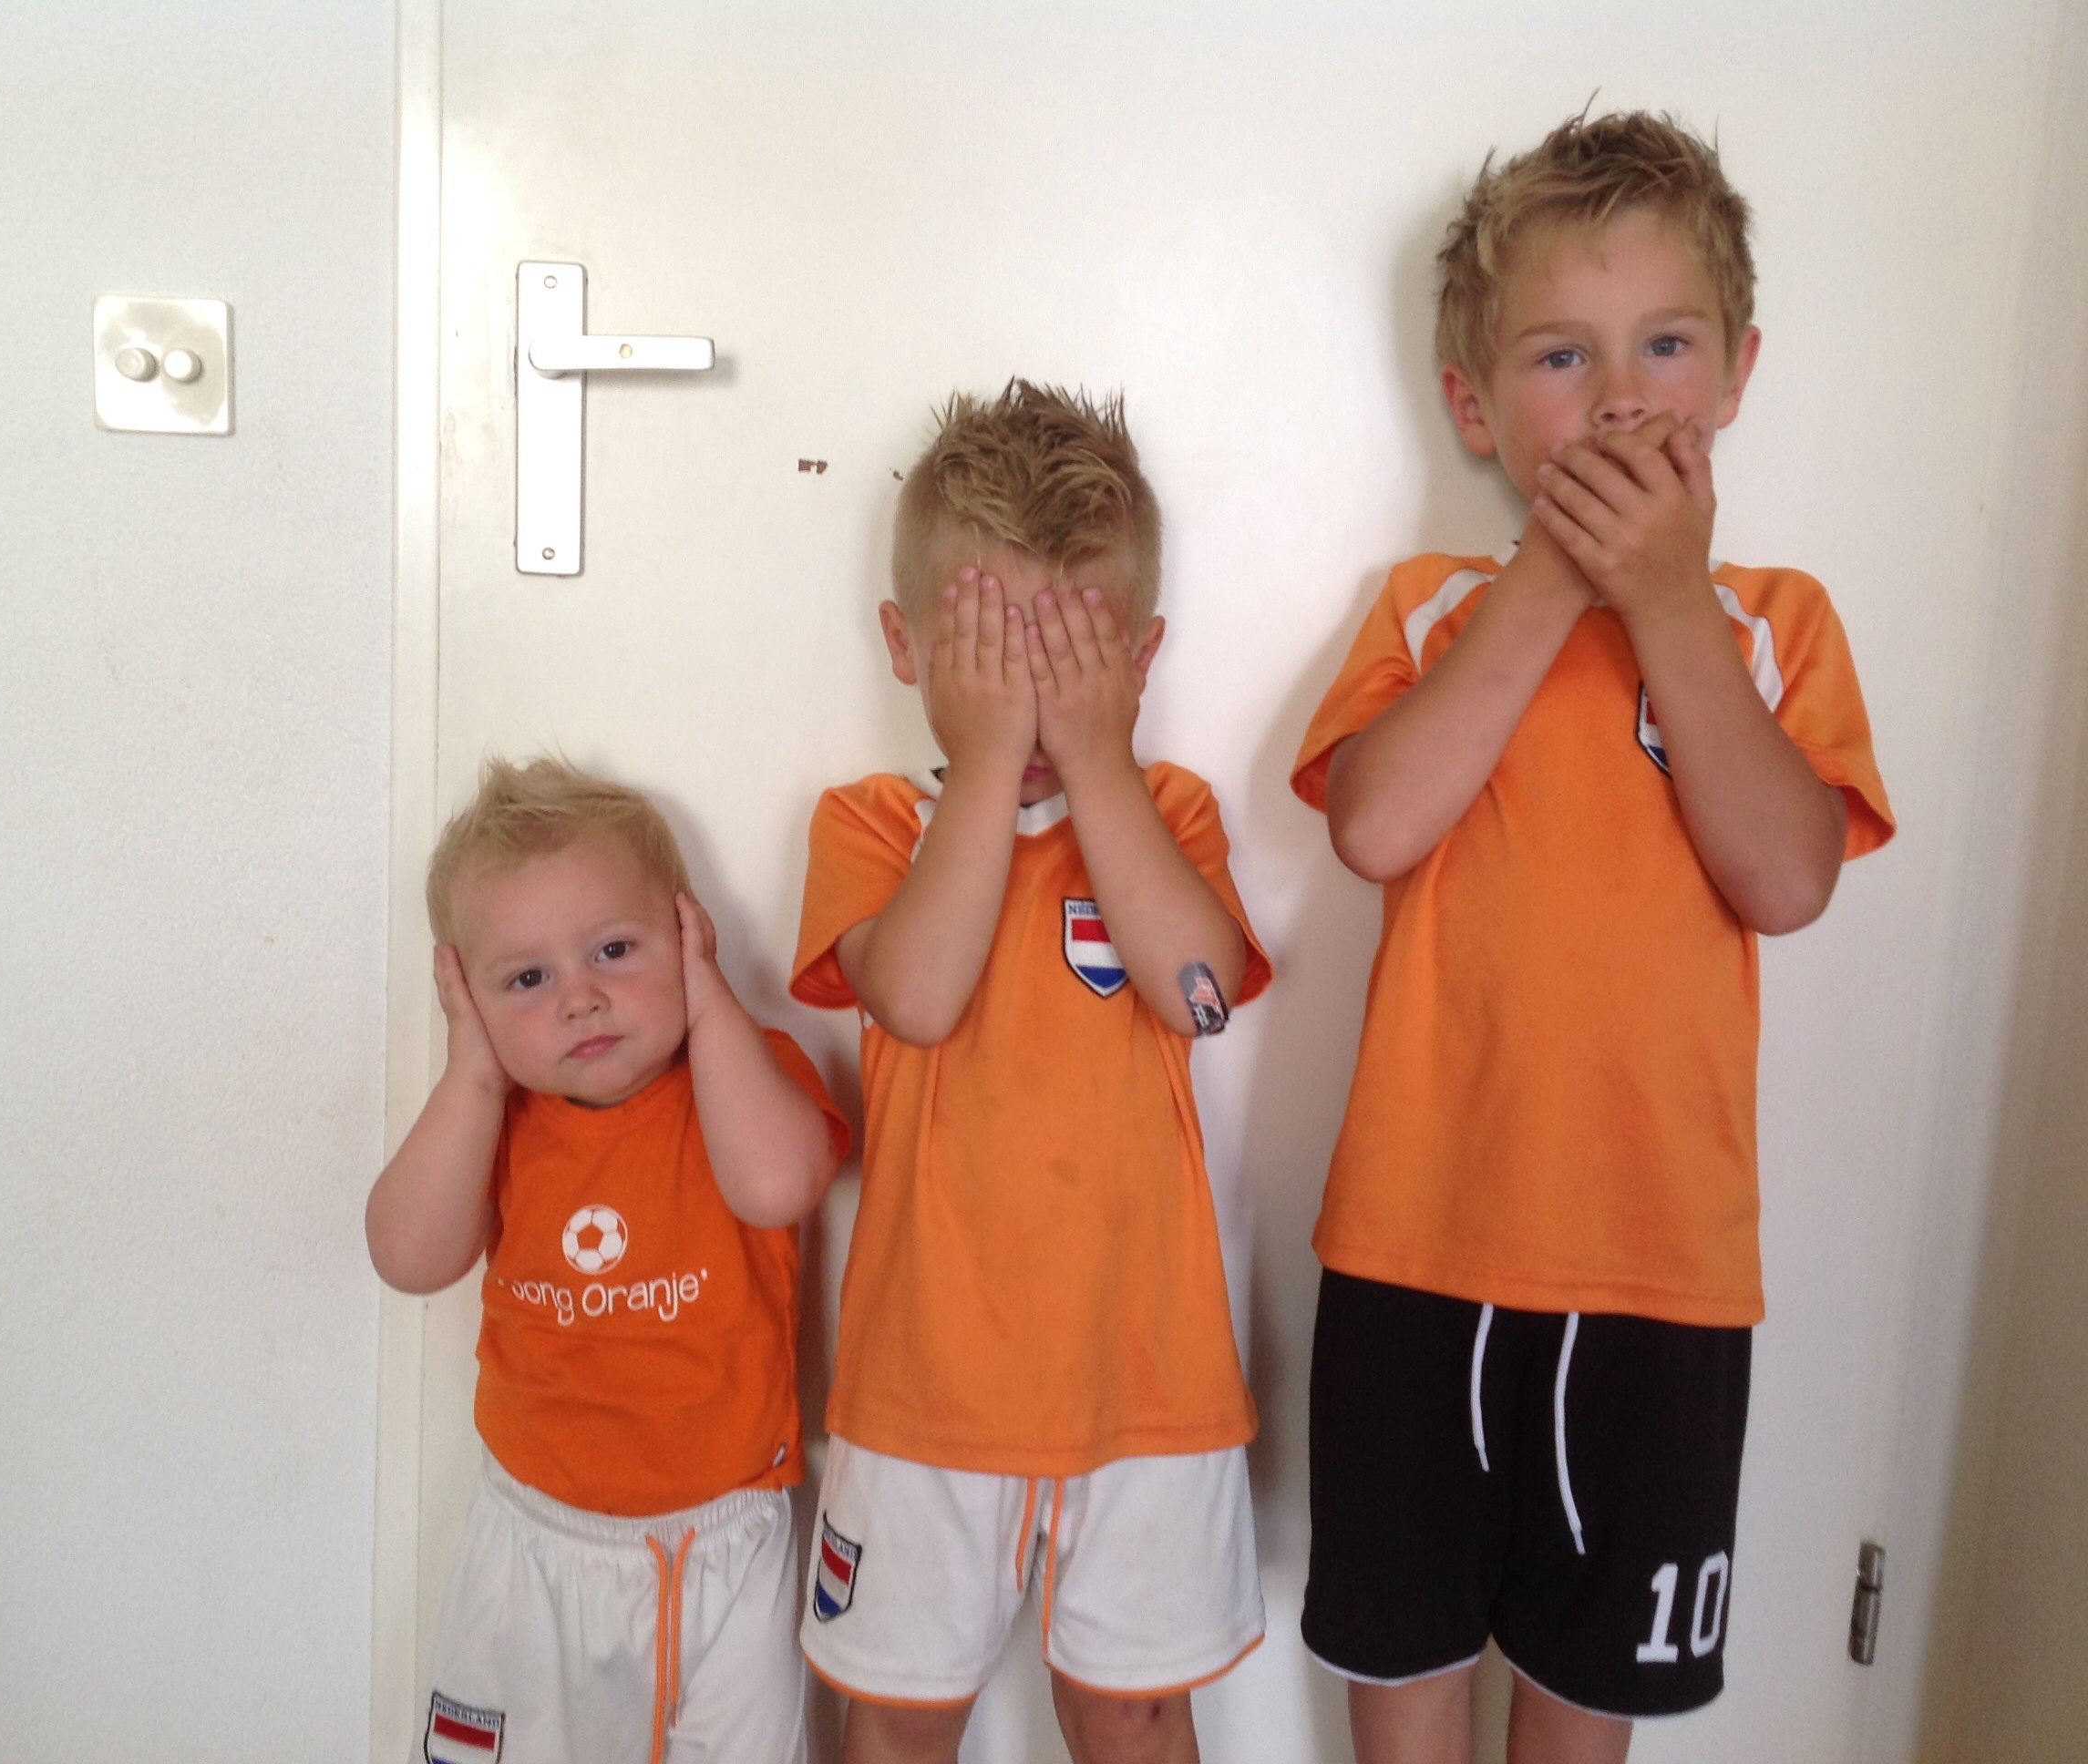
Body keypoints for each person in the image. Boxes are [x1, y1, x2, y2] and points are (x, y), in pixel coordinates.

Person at [1290, 111, 1897, 1763]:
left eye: (1665, 346)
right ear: (1476, 409)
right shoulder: (1432, 607)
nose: (1622, 397)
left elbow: (1786, 879)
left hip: (1660, 1273)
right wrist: (1556, 582)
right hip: (1416, 1249)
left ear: (1738, 373)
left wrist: (1667, 601)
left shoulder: (1772, 625)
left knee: (1587, 1706)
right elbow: (1373, 827)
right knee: (1402, 1676)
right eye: (1564, 356)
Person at [791, 381, 1274, 1764]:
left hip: (1148, 1386)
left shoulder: (1166, 812)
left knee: (1133, 1712)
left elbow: (1199, 995)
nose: (1032, 688)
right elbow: (918, 996)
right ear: (908, 648)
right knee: (896, 1715)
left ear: (1139, 656)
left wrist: (1097, 760)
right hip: (923, 1388)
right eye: (993, 650)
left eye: (1067, 652)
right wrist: (993, 756)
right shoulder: (874, 825)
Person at [366, 756, 849, 1764]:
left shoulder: (746, 1075)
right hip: (536, 1542)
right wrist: (473, 1071)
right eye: (527, 979)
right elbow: (408, 1257)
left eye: (615, 950)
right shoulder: (499, 1117)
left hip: (727, 1536)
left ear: (687, 934)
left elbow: (776, 1186)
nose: (580, 1000)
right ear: (469, 997)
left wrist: (710, 1005)